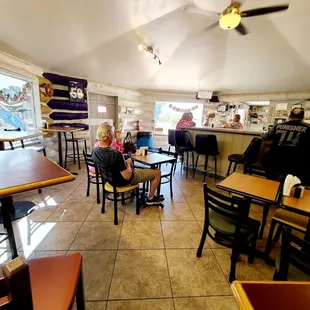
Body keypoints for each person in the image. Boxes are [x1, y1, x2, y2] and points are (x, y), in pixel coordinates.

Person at [92, 123, 164, 205]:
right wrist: (128, 163)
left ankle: (134, 191)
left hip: (110, 181)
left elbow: (104, 166)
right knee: (157, 172)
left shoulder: (95, 151)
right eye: (113, 134)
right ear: (108, 134)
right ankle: (150, 198)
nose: (114, 137)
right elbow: (128, 176)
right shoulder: (116, 154)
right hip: (123, 181)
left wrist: (122, 161)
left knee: (130, 164)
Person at [262, 107, 310, 183]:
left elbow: (265, 137)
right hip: (296, 162)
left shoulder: (278, 126)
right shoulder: (308, 128)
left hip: (275, 158)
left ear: (289, 117)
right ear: (302, 118)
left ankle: (272, 186)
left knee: (266, 160)